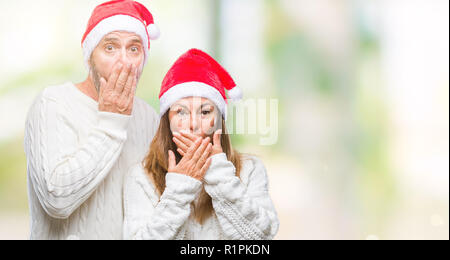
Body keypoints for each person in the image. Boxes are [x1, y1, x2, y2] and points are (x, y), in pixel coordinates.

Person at [23, 0, 160, 240]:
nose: (124, 62)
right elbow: (56, 200)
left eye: (134, 49)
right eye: (110, 48)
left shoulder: (149, 117)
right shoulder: (53, 103)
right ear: (90, 57)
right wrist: (112, 122)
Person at [123, 49, 279, 240]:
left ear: (220, 120)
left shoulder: (250, 170)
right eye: (181, 112)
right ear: (167, 121)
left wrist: (219, 175)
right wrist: (180, 189)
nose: (193, 124)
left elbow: (260, 239)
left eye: (205, 112)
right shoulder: (141, 177)